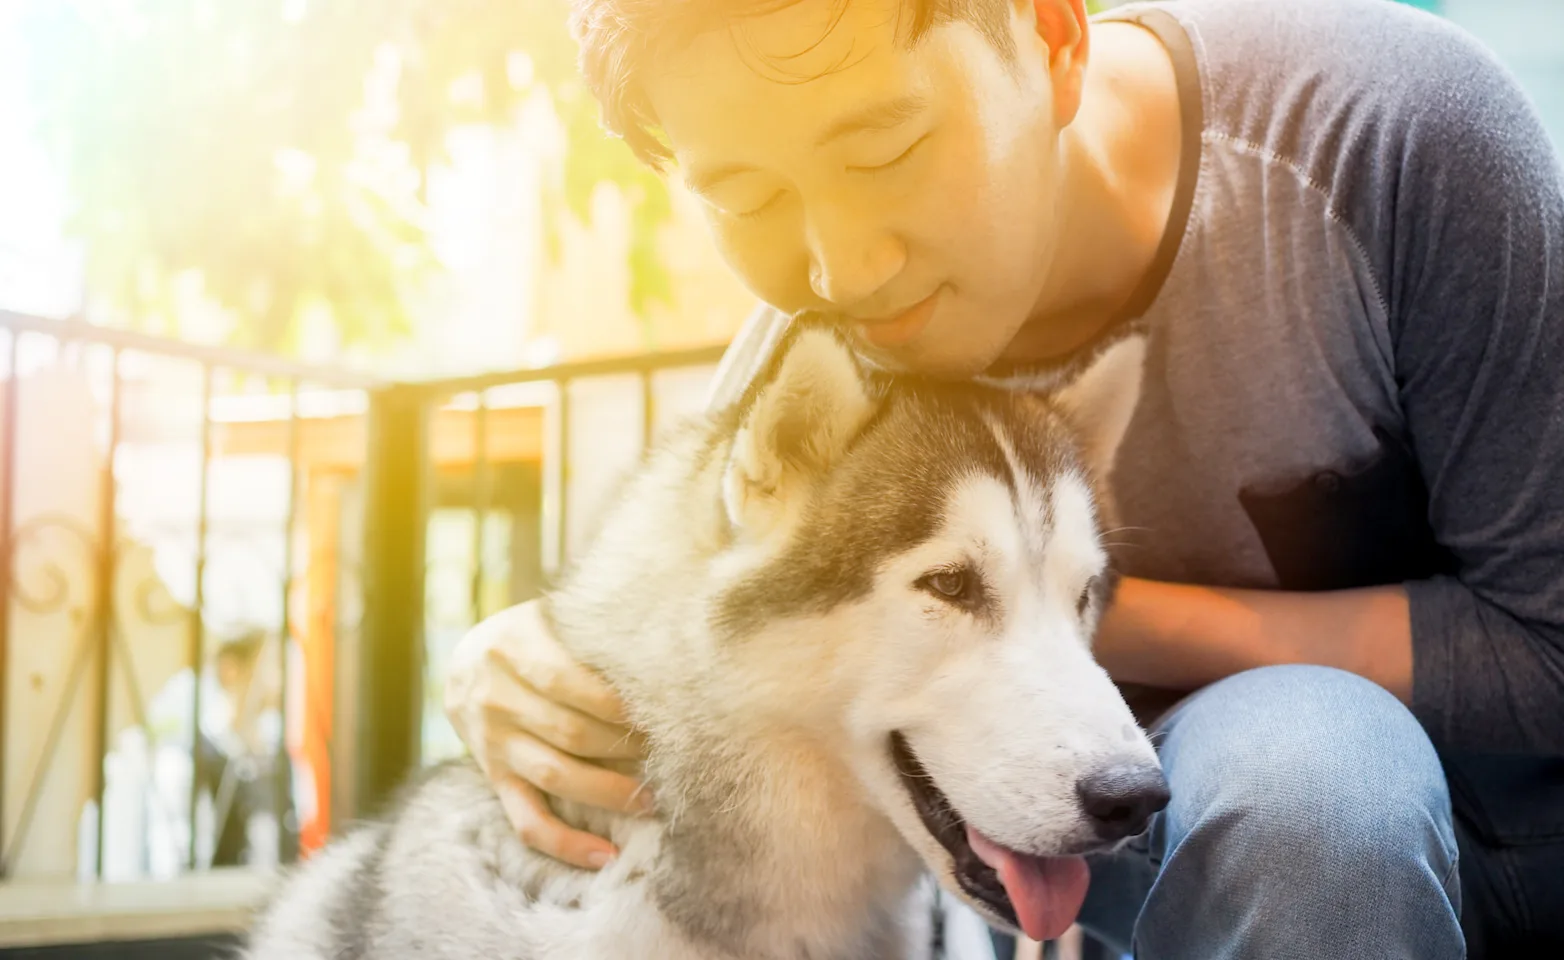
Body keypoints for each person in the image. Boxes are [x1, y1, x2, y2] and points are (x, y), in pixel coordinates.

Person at [442, 0, 1564, 956]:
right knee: (1311, 785)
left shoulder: (1385, 136)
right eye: (747, 195)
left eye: (881, 151)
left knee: (1315, 759)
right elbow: (682, 640)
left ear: (1053, 37)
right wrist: (501, 664)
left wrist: (1049, 611)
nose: (844, 265)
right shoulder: (813, 369)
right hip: (1236, 844)